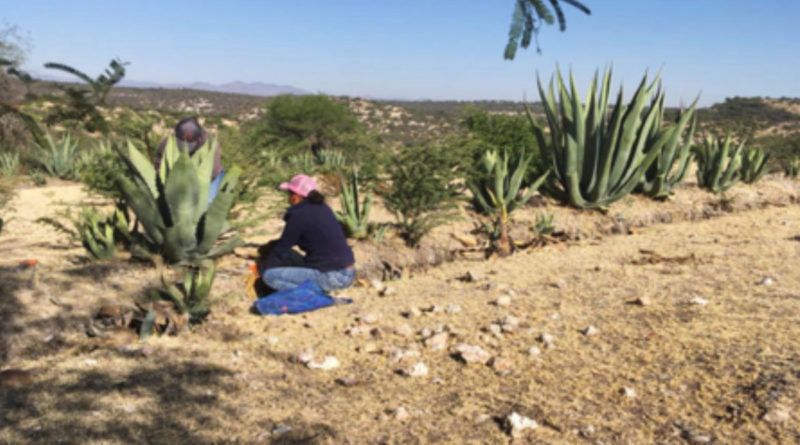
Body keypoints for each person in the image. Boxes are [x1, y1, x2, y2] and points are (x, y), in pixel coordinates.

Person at [258, 174, 356, 293]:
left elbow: (281, 250)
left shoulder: (298, 215)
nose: (288, 197)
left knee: (270, 276)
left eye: (289, 193)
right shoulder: (323, 208)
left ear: (296, 196)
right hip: (348, 273)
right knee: (292, 260)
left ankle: (313, 294)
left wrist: (262, 270)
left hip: (331, 277)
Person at [156, 117, 225, 202]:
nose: (185, 148)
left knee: (208, 202)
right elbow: (159, 165)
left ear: (199, 138)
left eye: (189, 144)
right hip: (178, 174)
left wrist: (191, 189)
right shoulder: (167, 143)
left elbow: (212, 173)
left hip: (209, 177)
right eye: (181, 142)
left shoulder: (211, 145)